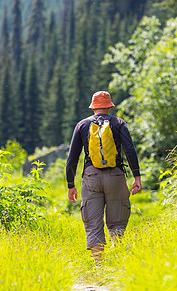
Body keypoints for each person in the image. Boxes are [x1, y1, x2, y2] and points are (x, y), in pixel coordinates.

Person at [66, 91, 142, 262]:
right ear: (109, 106)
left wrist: (71, 185)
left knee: (93, 223)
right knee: (117, 222)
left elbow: (72, 158)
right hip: (115, 176)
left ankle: (100, 266)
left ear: (93, 107)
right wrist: (136, 177)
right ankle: (117, 260)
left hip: (91, 176)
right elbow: (130, 150)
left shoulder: (81, 125)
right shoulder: (119, 123)